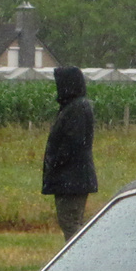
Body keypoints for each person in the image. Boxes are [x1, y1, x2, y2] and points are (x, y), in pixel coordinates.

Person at [42, 66, 98, 241]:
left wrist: (55, 163)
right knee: (71, 222)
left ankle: (79, 260)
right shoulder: (75, 107)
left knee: (71, 223)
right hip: (72, 178)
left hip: (71, 179)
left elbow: (73, 145)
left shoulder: (76, 109)